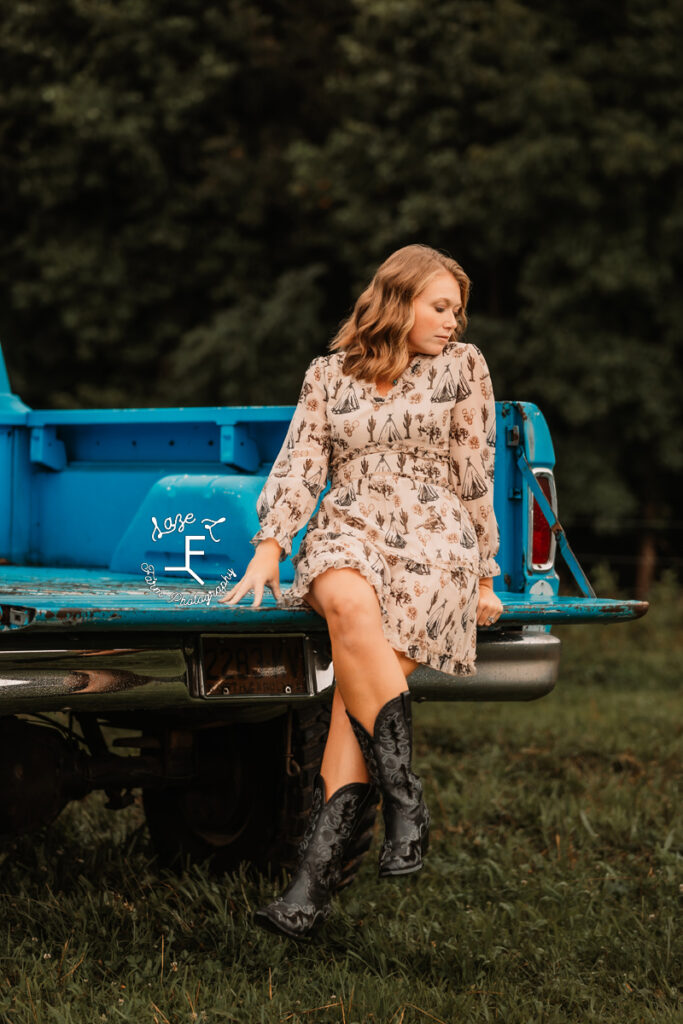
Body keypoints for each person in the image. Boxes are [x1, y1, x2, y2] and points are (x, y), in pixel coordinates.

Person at [219, 243, 503, 940]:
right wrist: (269, 547)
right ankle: (406, 801)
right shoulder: (328, 375)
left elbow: (474, 472)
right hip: (348, 523)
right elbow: (301, 460)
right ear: (397, 300)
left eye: (456, 311)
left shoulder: (463, 369)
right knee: (344, 602)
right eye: (439, 307)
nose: (452, 322)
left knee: (354, 687)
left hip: (435, 534)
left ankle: (307, 894)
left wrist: (486, 575)